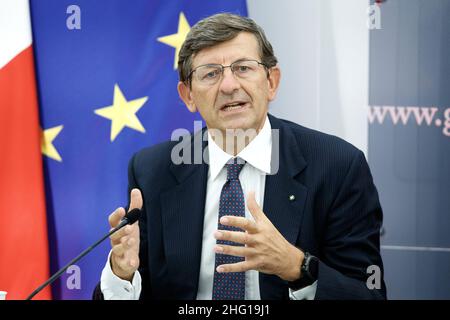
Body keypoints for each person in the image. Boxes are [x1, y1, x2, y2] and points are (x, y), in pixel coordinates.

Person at [93, 13, 386, 300]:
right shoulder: (153, 170)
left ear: (271, 81)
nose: (229, 86)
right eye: (210, 73)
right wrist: (123, 275)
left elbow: (368, 294)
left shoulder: (337, 166)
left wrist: (297, 267)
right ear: (188, 96)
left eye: (243, 68)